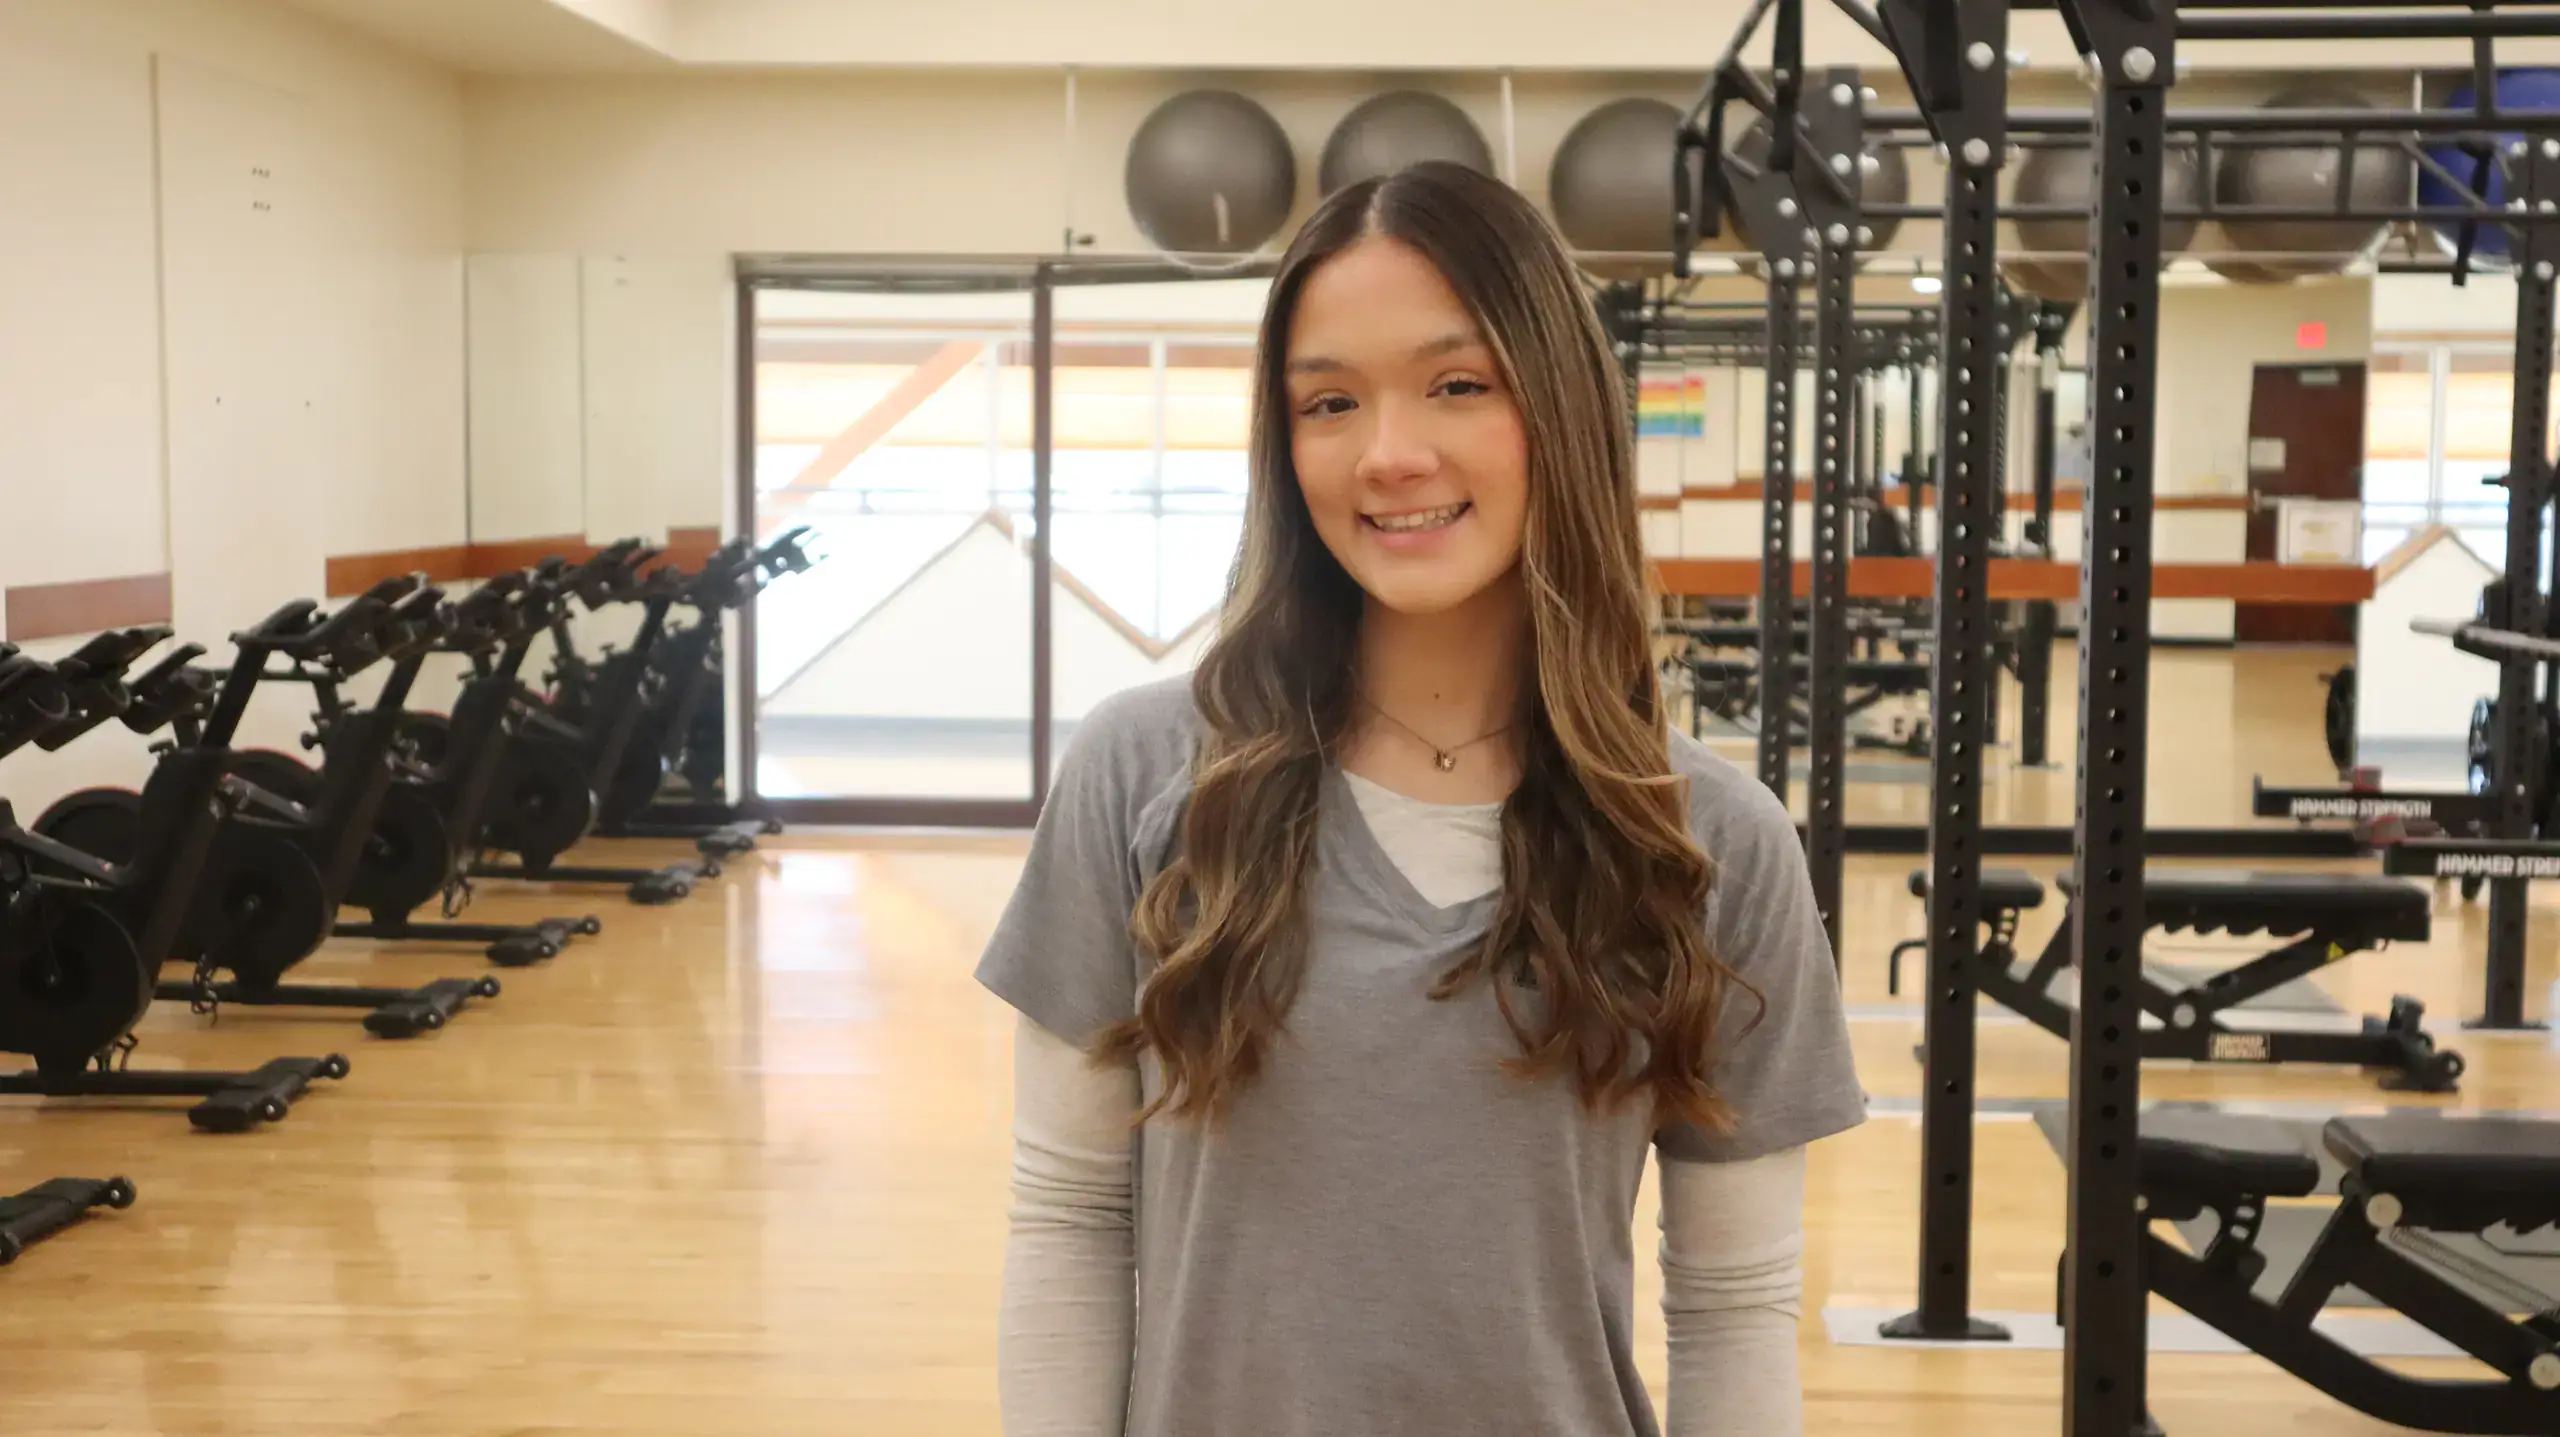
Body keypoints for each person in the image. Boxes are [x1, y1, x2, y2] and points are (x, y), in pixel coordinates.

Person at [975, 160, 1865, 1437]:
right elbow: (1067, 1222)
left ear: (1557, 408)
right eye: (1328, 402)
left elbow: (1732, 1307)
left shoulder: (1712, 841)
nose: (1388, 455)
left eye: (1458, 385)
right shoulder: (1141, 773)